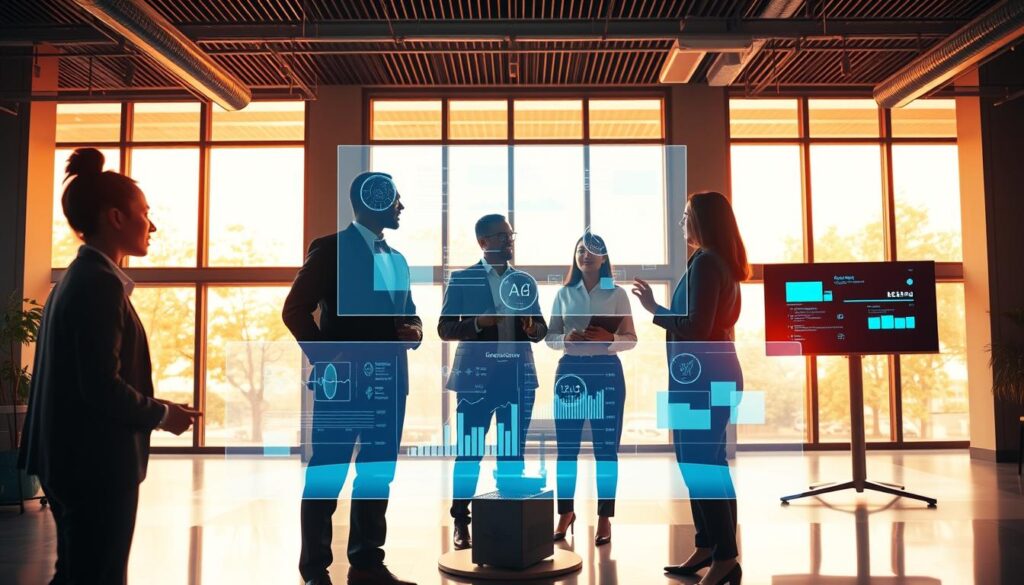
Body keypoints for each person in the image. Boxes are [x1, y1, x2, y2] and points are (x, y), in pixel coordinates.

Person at [19, 147, 199, 585]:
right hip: (94, 464)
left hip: (71, 460)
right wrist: (161, 414)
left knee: (80, 571)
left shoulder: (77, 281)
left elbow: (91, 378)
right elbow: (101, 385)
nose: (152, 226)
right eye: (144, 213)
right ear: (115, 217)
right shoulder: (97, 286)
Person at [283, 171, 421, 585]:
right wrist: (327, 362)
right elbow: (295, 310)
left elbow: (410, 314)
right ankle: (315, 572)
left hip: (389, 383)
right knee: (328, 473)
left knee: (377, 473)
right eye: (396, 199)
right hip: (342, 385)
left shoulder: (397, 260)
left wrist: (413, 331)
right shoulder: (330, 250)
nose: (401, 206)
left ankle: (366, 562)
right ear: (373, 201)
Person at [632, 191, 749, 585]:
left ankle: (726, 556)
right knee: (702, 462)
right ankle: (709, 545)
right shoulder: (713, 261)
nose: (683, 221)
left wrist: (655, 311)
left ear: (704, 220)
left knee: (701, 464)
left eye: (687, 215)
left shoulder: (708, 263)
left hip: (705, 380)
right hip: (704, 377)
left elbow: (698, 327)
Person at [438, 214, 547, 551]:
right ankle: (461, 521)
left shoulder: (524, 281)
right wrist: (477, 322)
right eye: (502, 235)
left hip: (517, 380)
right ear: (483, 242)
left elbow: (541, 329)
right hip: (475, 382)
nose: (509, 240)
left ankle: (509, 525)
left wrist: (533, 330)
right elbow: (445, 329)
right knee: (469, 455)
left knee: (511, 455)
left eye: (511, 234)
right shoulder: (462, 280)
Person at [545, 232, 636, 546]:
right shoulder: (564, 293)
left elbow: (632, 338)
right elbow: (550, 336)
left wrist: (607, 340)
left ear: (604, 258)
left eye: (592, 251)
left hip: (606, 373)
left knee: (606, 451)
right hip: (570, 373)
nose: (585, 255)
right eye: (580, 250)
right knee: (566, 450)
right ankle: (566, 513)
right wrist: (564, 340)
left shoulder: (617, 294)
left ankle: (604, 517)